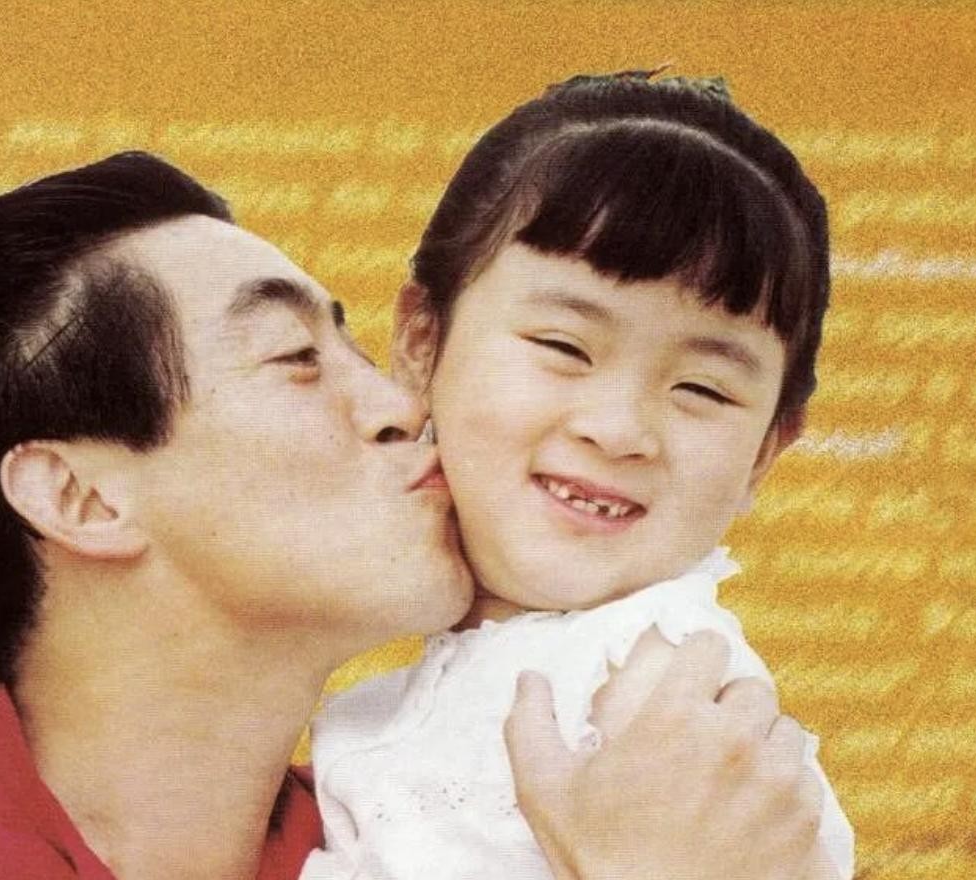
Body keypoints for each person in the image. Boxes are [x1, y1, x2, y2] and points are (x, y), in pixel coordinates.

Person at [0, 150, 827, 880]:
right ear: (82, 497)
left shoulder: (419, 825)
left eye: (357, 349)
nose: (402, 405)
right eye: (297, 359)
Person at [303, 72, 853, 880]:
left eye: (703, 389)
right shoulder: (376, 706)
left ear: (765, 453)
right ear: (422, 343)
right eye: (564, 346)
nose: (619, 429)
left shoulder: (661, 694)